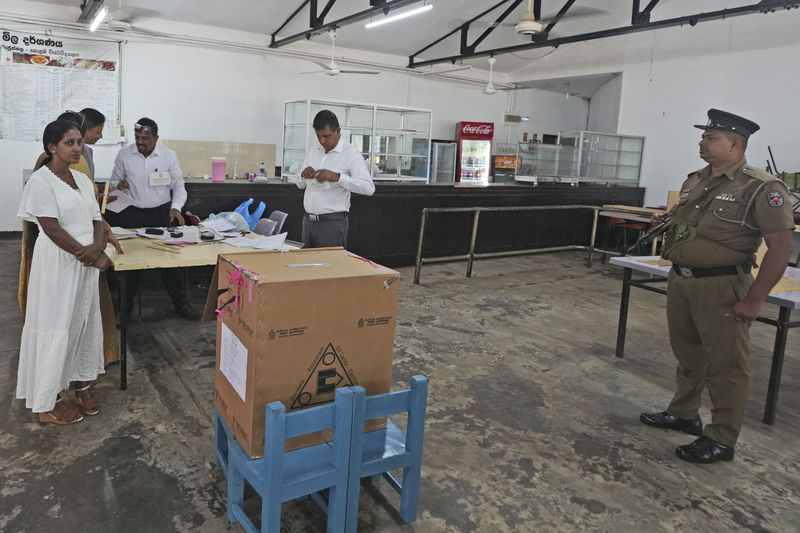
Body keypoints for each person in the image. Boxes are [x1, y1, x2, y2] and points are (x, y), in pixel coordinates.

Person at [640, 109, 794, 463]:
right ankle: (684, 414)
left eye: (711, 138)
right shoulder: (696, 179)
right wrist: (667, 220)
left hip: (723, 285)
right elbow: (693, 222)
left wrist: (755, 300)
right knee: (688, 353)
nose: (702, 142)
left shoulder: (762, 188)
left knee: (726, 365)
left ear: (735, 144)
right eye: (703, 136)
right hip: (683, 279)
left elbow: (781, 248)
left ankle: (722, 438)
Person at [17, 119, 111, 424]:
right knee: (56, 323)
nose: (76, 149)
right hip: (59, 264)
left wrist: (97, 249)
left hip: (85, 263)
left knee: (82, 321)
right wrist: (87, 255)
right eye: (69, 143)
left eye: (79, 143)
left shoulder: (82, 180)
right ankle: (46, 401)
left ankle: (81, 383)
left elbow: (97, 218)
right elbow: (51, 228)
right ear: (52, 147)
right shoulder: (41, 181)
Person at [107, 117, 197, 319]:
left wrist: (175, 208)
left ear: (156, 137)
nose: (140, 141)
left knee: (170, 262)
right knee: (130, 263)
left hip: (161, 214)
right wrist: (117, 185)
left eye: (145, 138)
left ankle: (181, 304)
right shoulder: (124, 155)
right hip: (133, 214)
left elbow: (179, 187)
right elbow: (113, 182)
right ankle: (125, 309)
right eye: (137, 137)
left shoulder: (168, 156)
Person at [296, 110, 375, 248]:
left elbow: (368, 188)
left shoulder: (350, 153)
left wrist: (338, 177)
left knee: (330, 267)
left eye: (326, 136)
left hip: (332, 224)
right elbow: (300, 184)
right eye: (318, 136)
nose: (322, 141)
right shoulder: (314, 149)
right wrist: (303, 175)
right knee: (306, 267)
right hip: (308, 221)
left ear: (338, 131)